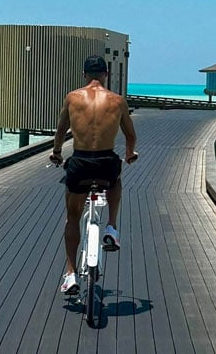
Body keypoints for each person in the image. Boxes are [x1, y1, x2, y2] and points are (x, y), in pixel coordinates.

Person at [50, 55, 138, 294]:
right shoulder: (117, 101)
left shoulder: (73, 98)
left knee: (72, 218)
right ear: (106, 75)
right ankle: (111, 226)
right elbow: (130, 135)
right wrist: (129, 153)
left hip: (80, 163)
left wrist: (57, 153)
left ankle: (70, 274)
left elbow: (60, 131)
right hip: (105, 162)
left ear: (84, 75)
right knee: (115, 179)